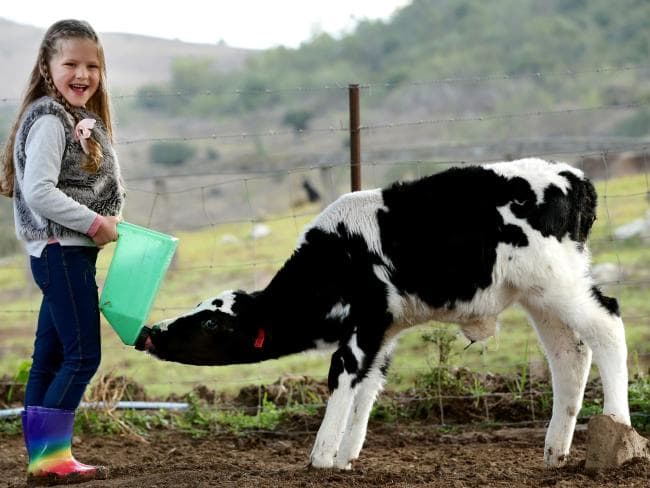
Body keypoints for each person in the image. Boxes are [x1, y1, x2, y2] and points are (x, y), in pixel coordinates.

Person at [0, 19, 125, 485]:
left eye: (92, 65)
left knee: (49, 356)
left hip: (63, 253)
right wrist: (95, 222)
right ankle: (52, 462)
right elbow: (38, 191)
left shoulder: (67, 118)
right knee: (81, 358)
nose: (83, 73)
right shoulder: (52, 120)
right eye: (70, 63)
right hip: (61, 251)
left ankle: (43, 462)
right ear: (48, 67)